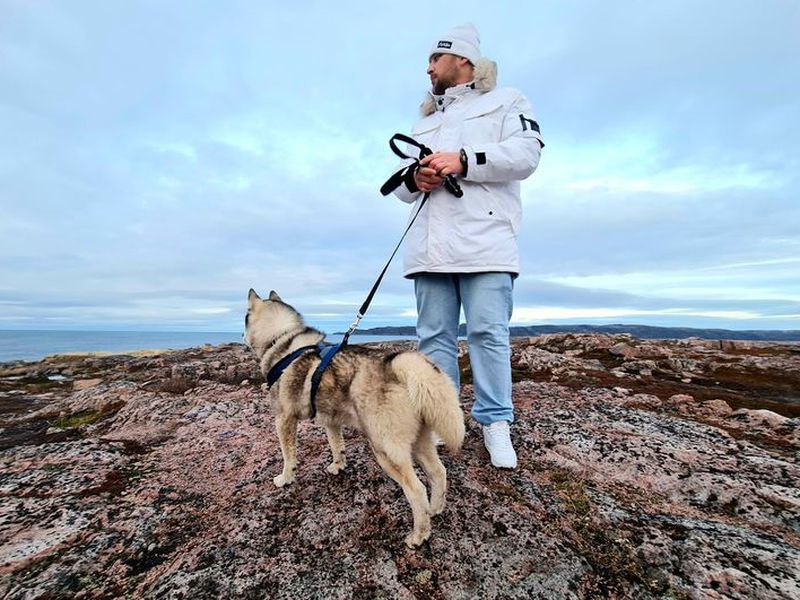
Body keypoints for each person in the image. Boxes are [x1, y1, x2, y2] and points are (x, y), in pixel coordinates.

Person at [392, 23, 543, 469]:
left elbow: (527, 155)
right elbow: (402, 185)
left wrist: (464, 160)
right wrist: (416, 178)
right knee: (434, 337)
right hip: (429, 245)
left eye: (434, 59)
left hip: (487, 241)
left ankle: (496, 424)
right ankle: (443, 420)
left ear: (462, 61)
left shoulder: (506, 101)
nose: (428, 68)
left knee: (487, 333)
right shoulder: (424, 121)